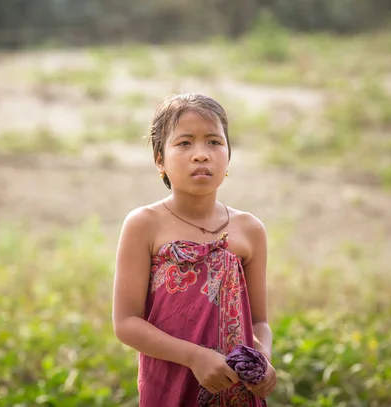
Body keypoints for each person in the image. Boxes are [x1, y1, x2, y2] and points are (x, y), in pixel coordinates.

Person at [112, 93, 276, 406]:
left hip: (237, 390)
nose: (201, 154)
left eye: (214, 142)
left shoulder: (249, 229)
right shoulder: (144, 224)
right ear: (159, 160)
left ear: (228, 155)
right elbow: (126, 323)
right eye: (184, 143)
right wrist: (194, 357)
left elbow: (259, 323)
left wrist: (262, 359)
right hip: (170, 386)